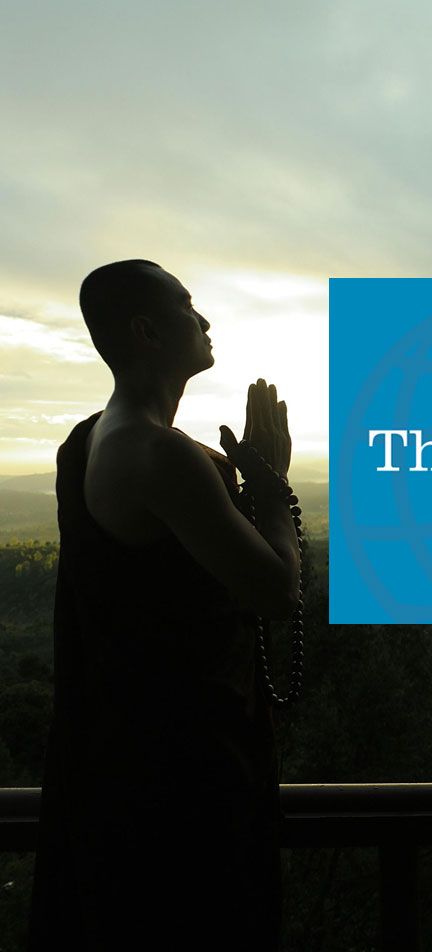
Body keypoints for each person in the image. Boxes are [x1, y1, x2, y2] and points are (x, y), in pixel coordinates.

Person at [28, 259, 300, 951]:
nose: (204, 320)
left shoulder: (89, 439)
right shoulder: (159, 455)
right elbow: (273, 592)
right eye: (187, 306)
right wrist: (271, 489)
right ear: (147, 330)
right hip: (181, 784)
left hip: (115, 766)